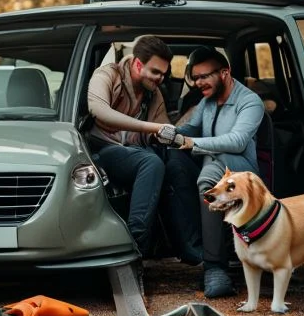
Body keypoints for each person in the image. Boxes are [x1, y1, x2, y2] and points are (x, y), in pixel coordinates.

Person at [164, 46, 265, 297]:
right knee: (174, 160)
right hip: (211, 165)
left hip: (242, 173)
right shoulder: (206, 103)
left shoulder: (250, 102)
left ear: (225, 73)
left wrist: (192, 143)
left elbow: (237, 141)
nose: (198, 82)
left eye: (204, 76)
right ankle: (191, 242)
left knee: (209, 176)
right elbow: (190, 129)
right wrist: (168, 134)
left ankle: (214, 268)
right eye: (195, 77)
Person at [86, 35, 175, 255]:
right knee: (151, 163)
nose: (160, 78)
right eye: (156, 72)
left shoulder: (153, 93)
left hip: (133, 151)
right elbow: (99, 111)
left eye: (164, 74)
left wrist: (177, 131)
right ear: (137, 64)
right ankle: (135, 244)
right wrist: (150, 128)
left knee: (173, 162)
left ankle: (184, 248)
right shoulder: (108, 75)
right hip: (101, 151)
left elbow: (163, 128)